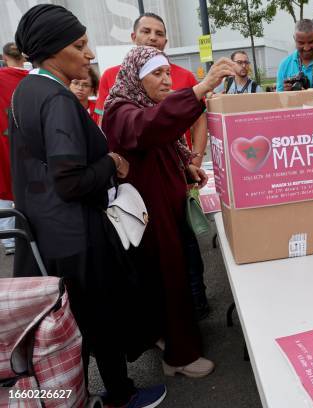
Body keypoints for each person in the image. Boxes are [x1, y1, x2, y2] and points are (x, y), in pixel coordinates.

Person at [10, 5, 166, 407]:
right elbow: (70, 180)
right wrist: (110, 163)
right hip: (78, 235)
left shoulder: (24, 92)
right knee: (100, 320)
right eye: (79, 45)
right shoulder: (57, 99)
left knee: (66, 327)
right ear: (52, 49)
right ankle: (121, 395)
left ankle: (70, 397)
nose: (91, 54)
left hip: (45, 232)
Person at [102, 46, 239, 377]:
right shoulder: (122, 110)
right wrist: (202, 88)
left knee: (163, 280)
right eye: (157, 74)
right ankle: (180, 358)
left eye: (167, 73)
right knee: (169, 278)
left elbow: (160, 138)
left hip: (162, 208)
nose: (166, 81)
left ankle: (166, 338)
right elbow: (149, 127)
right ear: (136, 77)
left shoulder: (142, 105)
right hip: (150, 215)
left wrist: (187, 168)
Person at [95, 12, 206, 165]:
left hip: (176, 163)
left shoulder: (186, 76)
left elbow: (199, 122)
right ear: (134, 37)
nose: (153, 37)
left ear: (165, 42)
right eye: (146, 31)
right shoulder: (111, 75)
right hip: (135, 166)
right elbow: (104, 125)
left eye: (159, 33)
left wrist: (195, 162)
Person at [0, 42, 28, 256]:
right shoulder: (33, 77)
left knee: (4, 184)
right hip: (26, 139)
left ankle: (10, 239)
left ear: (4, 56)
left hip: (3, 139)